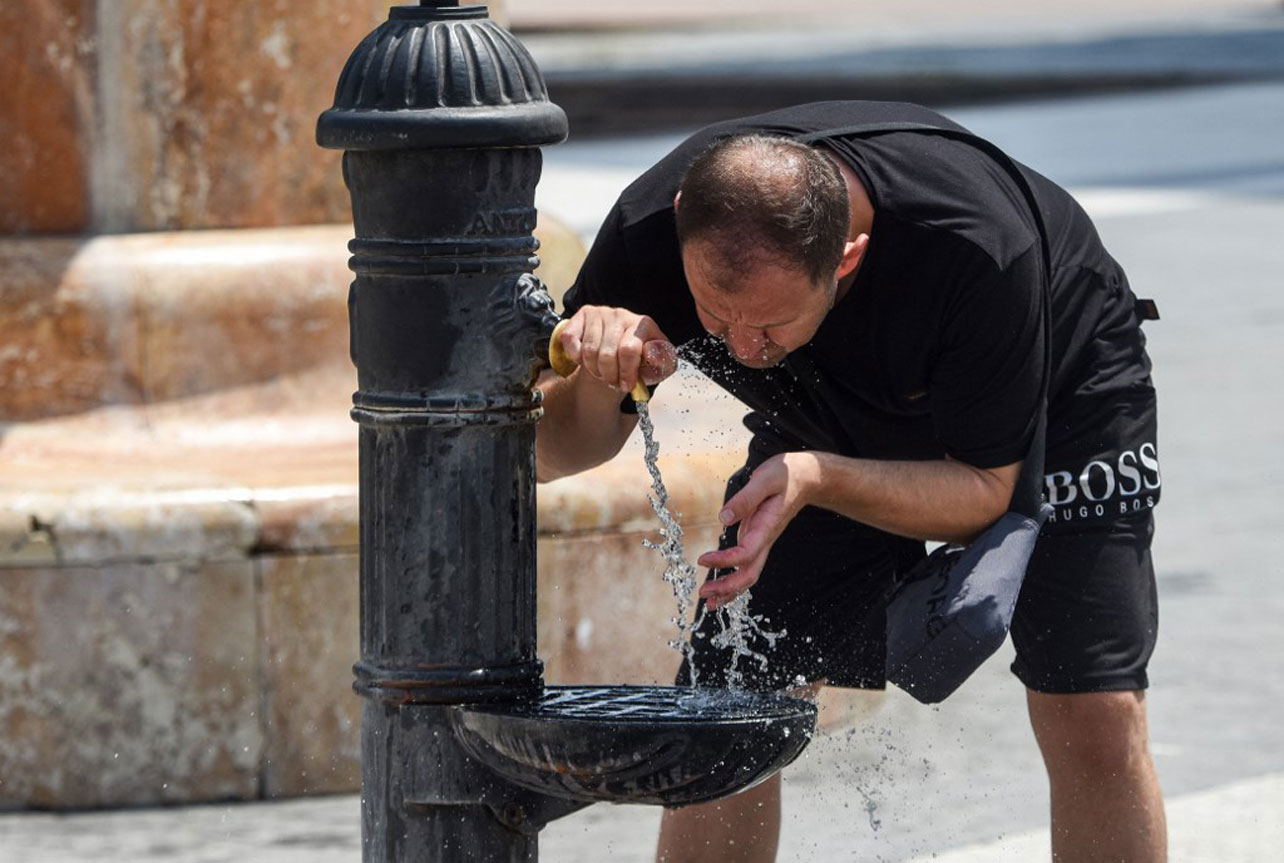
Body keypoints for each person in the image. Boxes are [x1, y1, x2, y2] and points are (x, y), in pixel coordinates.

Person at [534, 101, 1165, 863]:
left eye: (767, 326)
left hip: (1061, 387)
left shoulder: (976, 246)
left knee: (1093, 704)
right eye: (713, 313)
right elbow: (549, 454)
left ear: (847, 258)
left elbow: (983, 493)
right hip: (828, 411)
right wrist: (605, 376)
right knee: (729, 702)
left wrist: (816, 474)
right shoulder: (652, 235)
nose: (739, 345)